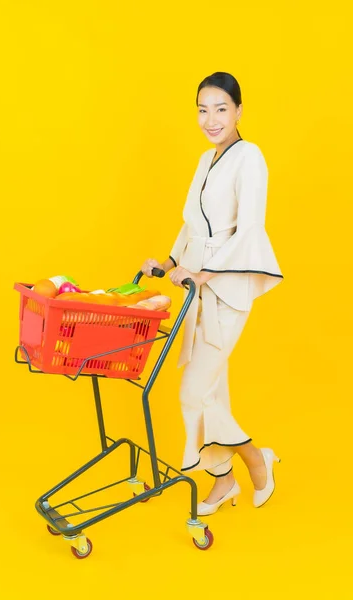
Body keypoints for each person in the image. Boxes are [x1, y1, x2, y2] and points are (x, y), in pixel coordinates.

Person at [141, 72, 283, 516]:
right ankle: (226, 483)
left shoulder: (250, 157)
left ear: (239, 110)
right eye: (203, 109)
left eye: (221, 108)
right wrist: (167, 262)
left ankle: (250, 463)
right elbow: (192, 225)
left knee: (192, 391)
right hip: (196, 289)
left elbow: (251, 230)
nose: (211, 118)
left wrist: (204, 272)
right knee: (213, 391)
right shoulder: (206, 160)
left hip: (225, 288)